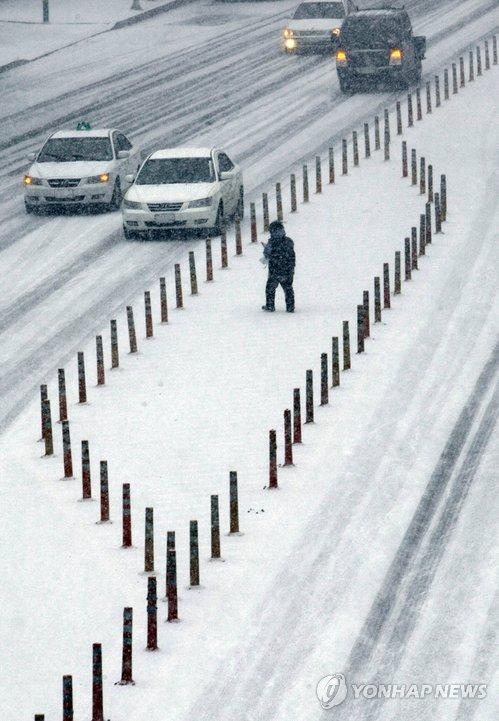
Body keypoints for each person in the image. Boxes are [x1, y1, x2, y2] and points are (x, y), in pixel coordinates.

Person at [261, 220, 295, 313]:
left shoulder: (271, 242)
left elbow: (267, 254)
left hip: (275, 270)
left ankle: (270, 305)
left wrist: (268, 253)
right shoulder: (289, 241)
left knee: (270, 288)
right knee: (288, 288)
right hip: (288, 269)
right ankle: (290, 306)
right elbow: (291, 255)